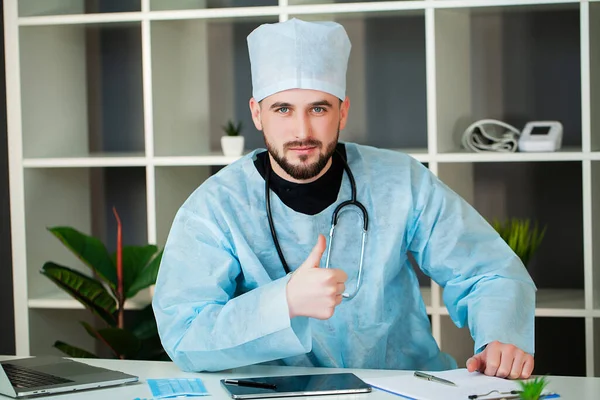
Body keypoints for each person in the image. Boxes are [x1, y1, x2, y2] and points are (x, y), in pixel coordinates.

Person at [152, 18, 536, 379]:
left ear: (342, 111)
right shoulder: (215, 207)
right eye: (282, 109)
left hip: (406, 388)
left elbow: (487, 269)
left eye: (318, 108)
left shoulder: (402, 181)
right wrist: (281, 303)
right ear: (257, 114)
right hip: (279, 394)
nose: (301, 130)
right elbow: (184, 333)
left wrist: (500, 336)